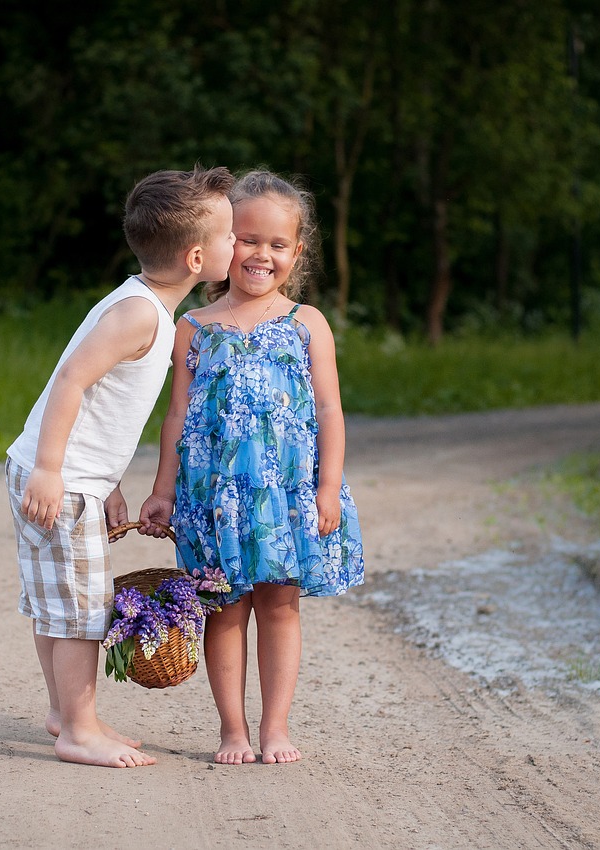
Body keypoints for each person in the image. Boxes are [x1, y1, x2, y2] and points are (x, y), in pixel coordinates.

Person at [6, 165, 236, 768]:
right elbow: (71, 381)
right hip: (60, 480)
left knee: (56, 603)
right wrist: (52, 470)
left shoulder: (144, 306)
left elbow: (100, 407)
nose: (236, 243)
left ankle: (64, 713)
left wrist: (107, 485)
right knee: (83, 613)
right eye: (230, 235)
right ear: (196, 258)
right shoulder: (140, 314)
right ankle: (79, 732)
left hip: (71, 476)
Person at [140, 169, 364, 765]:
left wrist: (328, 488)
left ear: (297, 252)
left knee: (280, 606)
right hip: (214, 497)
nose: (262, 254)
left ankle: (276, 728)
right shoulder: (194, 328)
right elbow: (177, 415)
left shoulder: (307, 323)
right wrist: (162, 491)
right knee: (224, 608)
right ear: (220, 242)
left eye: (278, 244)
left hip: (285, 494)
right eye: (247, 240)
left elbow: (329, 410)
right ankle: (233, 730)